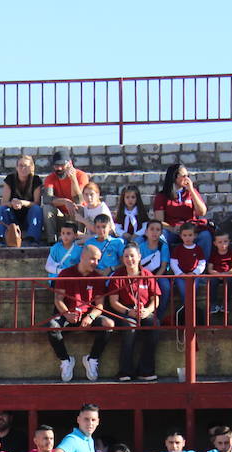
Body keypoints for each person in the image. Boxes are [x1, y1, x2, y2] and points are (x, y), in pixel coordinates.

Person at [48, 244, 114, 382]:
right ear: (82, 257)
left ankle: (92, 359)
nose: (96, 263)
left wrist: (90, 317)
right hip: (69, 315)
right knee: (52, 326)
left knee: (109, 324)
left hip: (88, 317)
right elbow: (58, 299)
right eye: (93, 259)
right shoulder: (65, 274)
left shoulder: (97, 277)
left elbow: (100, 304)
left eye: (98, 260)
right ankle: (66, 361)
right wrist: (66, 314)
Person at [108, 242, 161, 382]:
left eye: (132, 255)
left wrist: (147, 311)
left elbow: (155, 299)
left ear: (139, 257)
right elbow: (113, 302)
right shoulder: (117, 276)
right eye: (126, 256)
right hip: (124, 312)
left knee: (154, 323)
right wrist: (128, 311)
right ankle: (125, 371)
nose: (129, 259)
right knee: (130, 327)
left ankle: (145, 370)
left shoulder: (147, 275)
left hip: (144, 311)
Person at [153, 163, 212, 257]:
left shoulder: (191, 192)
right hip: (172, 229)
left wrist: (192, 191)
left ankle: (202, 266)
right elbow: (159, 221)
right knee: (161, 236)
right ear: (174, 177)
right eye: (184, 176)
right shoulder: (162, 196)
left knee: (205, 236)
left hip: (191, 228)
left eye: (188, 176)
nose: (187, 178)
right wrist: (172, 228)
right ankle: (165, 265)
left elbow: (202, 212)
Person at [0, 154, 44, 247]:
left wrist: (23, 203)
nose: (23, 168)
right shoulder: (10, 179)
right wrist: (13, 203)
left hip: (28, 217)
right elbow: (4, 202)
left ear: (31, 167)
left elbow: (37, 202)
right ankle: (1, 239)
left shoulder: (36, 180)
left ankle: (32, 239)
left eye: (26, 166)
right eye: (20, 165)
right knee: (2, 209)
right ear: (16, 167)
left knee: (37, 209)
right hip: (13, 217)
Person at [43, 149, 89, 228]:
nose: (59, 168)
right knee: (47, 208)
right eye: (56, 166)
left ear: (70, 164)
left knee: (80, 208)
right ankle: (51, 240)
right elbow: (47, 199)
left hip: (78, 216)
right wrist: (65, 201)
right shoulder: (50, 178)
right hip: (61, 215)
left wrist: (73, 179)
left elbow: (79, 200)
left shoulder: (81, 176)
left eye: (62, 165)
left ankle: (79, 238)